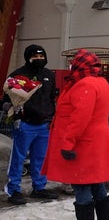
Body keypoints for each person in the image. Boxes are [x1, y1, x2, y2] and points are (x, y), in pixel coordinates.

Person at [41, 49, 109, 220]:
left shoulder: (85, 84)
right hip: (95, 143)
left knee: (82, 188)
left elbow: (79, 118)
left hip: (82, 144)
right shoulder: (100, 82)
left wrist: (67, 142)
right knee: (97, 185)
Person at [3, 44, 58, 205]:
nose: (39, 59)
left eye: (42, 57)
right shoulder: (18, 75)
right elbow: (5, 99)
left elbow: (51, 98)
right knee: (18, 158)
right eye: (35, 57)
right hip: (25, 123)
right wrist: (10, 107)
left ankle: (39, 187)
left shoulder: (49, 75)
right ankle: (14, 189)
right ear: (28, 57)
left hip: (44, 124)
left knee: (40, 158)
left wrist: (51, 116)